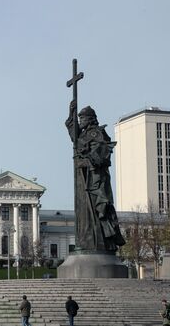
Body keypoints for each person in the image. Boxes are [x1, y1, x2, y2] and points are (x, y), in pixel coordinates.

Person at [65, 103, 126, 252]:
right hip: (83, 179)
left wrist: (86, 160)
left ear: (90, 119)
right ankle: (87, 241)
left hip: (95, 178)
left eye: (82, 119)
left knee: (99, 209)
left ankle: (102, 242)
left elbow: (103, 154)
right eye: (79, 119)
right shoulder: (83, 135)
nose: (80, 122)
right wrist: (71, 112)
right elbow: (74, 136)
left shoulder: (98, 133)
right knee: (84, 210)